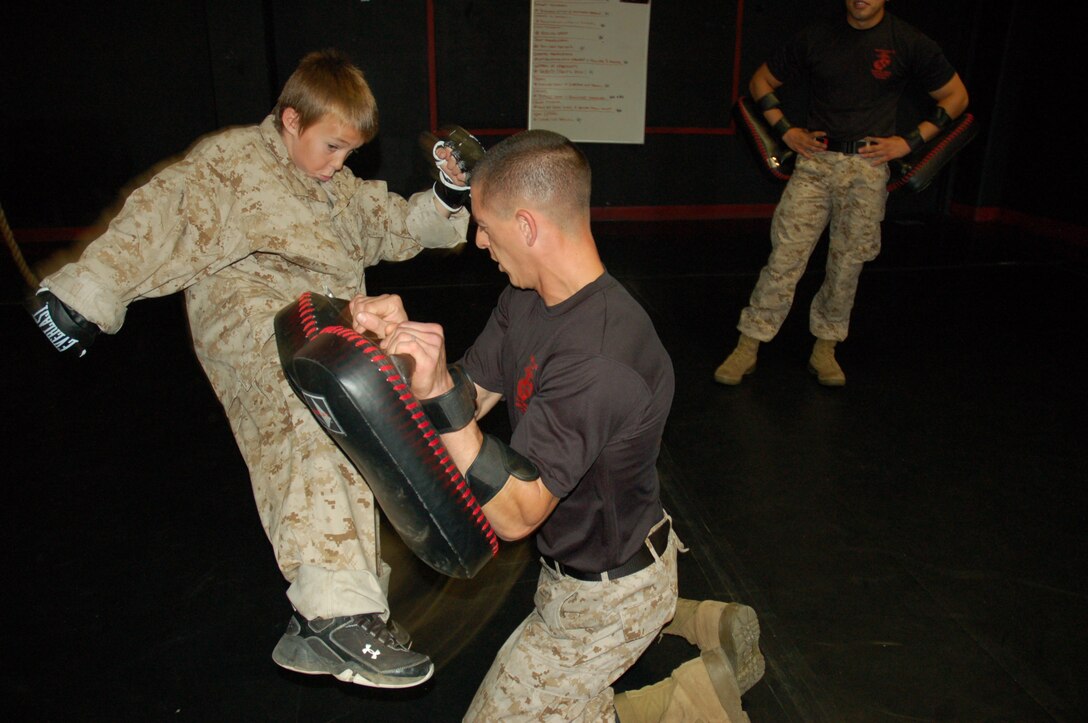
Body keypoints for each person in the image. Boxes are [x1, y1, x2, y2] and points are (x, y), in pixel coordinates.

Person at [28, 49, 474, 688]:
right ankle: (337, 614)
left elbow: (399, 226)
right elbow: (162, 218)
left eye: (350, 151)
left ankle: (330, 617)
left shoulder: (333, 186)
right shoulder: (232, 167)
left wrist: (448, 196)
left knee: (358, 432)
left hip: (328, 321)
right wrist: (84, 294)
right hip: (251, 317)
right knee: (314, 404)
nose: (339, 164)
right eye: (331, 147)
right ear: (291, 120)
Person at [350, 129, 765, 721]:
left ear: (526, 226)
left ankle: (694, 699)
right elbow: (473, 395)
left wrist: (439, 395)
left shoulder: (600, 358)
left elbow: (516, 513)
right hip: (570, 575)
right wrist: (403, 358)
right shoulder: (528, 297)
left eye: (486, 225)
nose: (478, 239)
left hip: (611, 596)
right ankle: (699, 679)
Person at [714, 0, 969, 387]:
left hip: (867, 169)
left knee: (847, 264)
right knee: (785, 256)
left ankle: (825, 347)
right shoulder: (817, 37)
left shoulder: (910, 42)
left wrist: (908, 141)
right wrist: (786, 130)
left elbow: (956, 97)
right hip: (816, 163)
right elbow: (760, 82)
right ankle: (749, 343)